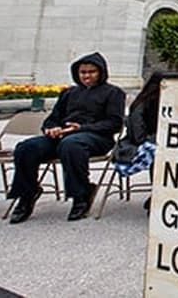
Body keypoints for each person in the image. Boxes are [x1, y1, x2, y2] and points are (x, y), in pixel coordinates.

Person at [8, 52, 125, 223]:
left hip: (96, 137)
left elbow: (114, 123)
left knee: (71, 145)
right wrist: (51, 128)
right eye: (83, 72)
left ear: (100, 72)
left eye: (91, 72)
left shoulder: (113, 93)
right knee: (26, 147)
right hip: (62, 135)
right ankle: (27, 194)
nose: (87, 76)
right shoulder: (69, 93)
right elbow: (53, 117)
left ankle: (81, 195)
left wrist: (81, 128)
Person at [113, 72, 163, 213]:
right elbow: (138, 137)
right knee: (158, 154)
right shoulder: (141, 104)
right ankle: (158, 195)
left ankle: (160, 194)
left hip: (156, 144)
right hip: (136, 146)